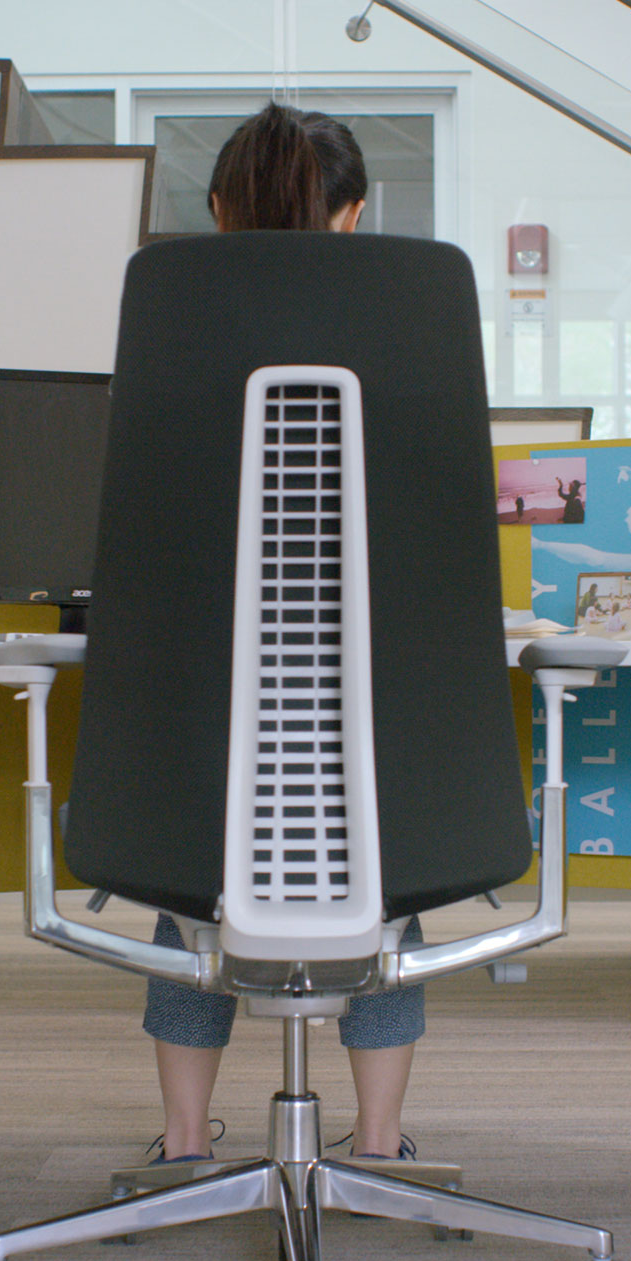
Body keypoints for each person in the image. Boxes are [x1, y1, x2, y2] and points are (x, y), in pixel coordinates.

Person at [138, 103, 427, 1167]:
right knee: (391, 887)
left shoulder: (169, 327)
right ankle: (382, 1140)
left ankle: (180, 1143)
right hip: (377, 710)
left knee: (194, 886)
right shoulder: (410, 335)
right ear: (351, 218)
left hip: (206, 711)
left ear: (217, 211)